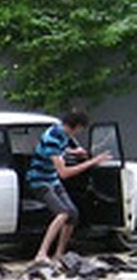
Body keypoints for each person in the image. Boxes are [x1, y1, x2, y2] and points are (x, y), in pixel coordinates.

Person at [27, 109, 111, 264]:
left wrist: (74, 152)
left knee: (73, 213)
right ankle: (41, 253)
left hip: (52, 179)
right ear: (77, 126)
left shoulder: (62, 132)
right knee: (62, 213)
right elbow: (64, 172)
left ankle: (59, 254)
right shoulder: (53, 137)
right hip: (39, 180)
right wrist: (92, 162)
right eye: (81, 129)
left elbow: (58, 152)